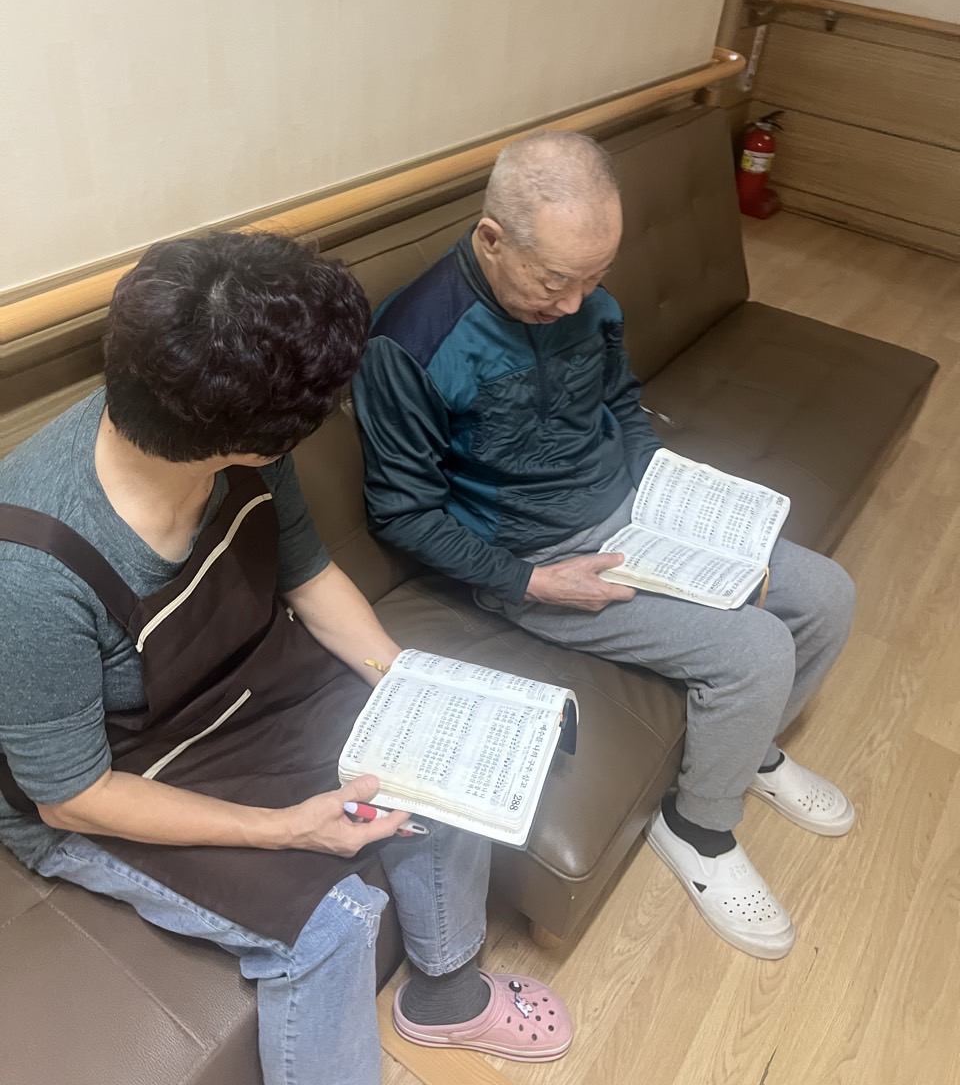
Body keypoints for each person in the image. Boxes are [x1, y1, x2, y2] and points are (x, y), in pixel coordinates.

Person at [0, 232, 572, 1085]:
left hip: (249, 684)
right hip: (120, 774)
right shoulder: (30, 569)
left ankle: (446, 997)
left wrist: (410, 691)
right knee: (332, 925)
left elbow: (307, 574)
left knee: (437, 771)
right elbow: (69, 797)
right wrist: (285, 830)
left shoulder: (234, 434)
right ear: (246, 439)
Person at [353, 131, 857, 962]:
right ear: (491, 238)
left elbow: (620, 402)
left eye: (595, 277)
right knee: (757, 647)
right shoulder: (411, 343)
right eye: (555, 280)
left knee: (829, 593)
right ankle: (698, 827)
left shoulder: (587, 302)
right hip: (536, 562)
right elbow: (402, 513)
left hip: (636, 513)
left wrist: (671, 491)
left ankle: (747, 751)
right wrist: (532, 582)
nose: (575, 302)